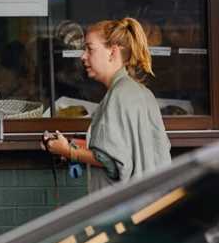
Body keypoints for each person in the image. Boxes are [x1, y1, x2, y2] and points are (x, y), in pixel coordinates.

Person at [42, 17, 171, 193]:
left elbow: (109, 161)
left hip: (122, 208)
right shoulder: (142, 92)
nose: (83, 56)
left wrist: (67, 151)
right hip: (151, 202)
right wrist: (72, 144)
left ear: (113, 52)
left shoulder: (117, 96)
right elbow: (125, 148)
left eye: (90, 49)